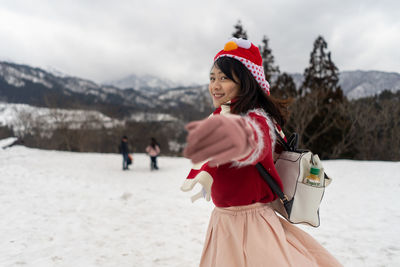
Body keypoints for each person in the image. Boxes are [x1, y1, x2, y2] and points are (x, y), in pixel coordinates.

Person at [181, 38, 342, 267]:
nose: (215, 85)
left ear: (245, 81)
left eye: (224, 78)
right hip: (225, 222)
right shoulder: (224, 116)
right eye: (213, 78)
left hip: (251, 225)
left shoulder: (257, 120)